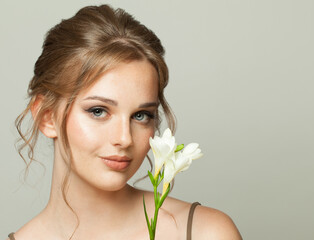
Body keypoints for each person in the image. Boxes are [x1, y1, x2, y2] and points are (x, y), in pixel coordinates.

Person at [8, 4, 242, 240]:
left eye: (141, 116)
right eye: (98, 111)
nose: (124, 138)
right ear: (46, 116)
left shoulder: (206, 233)